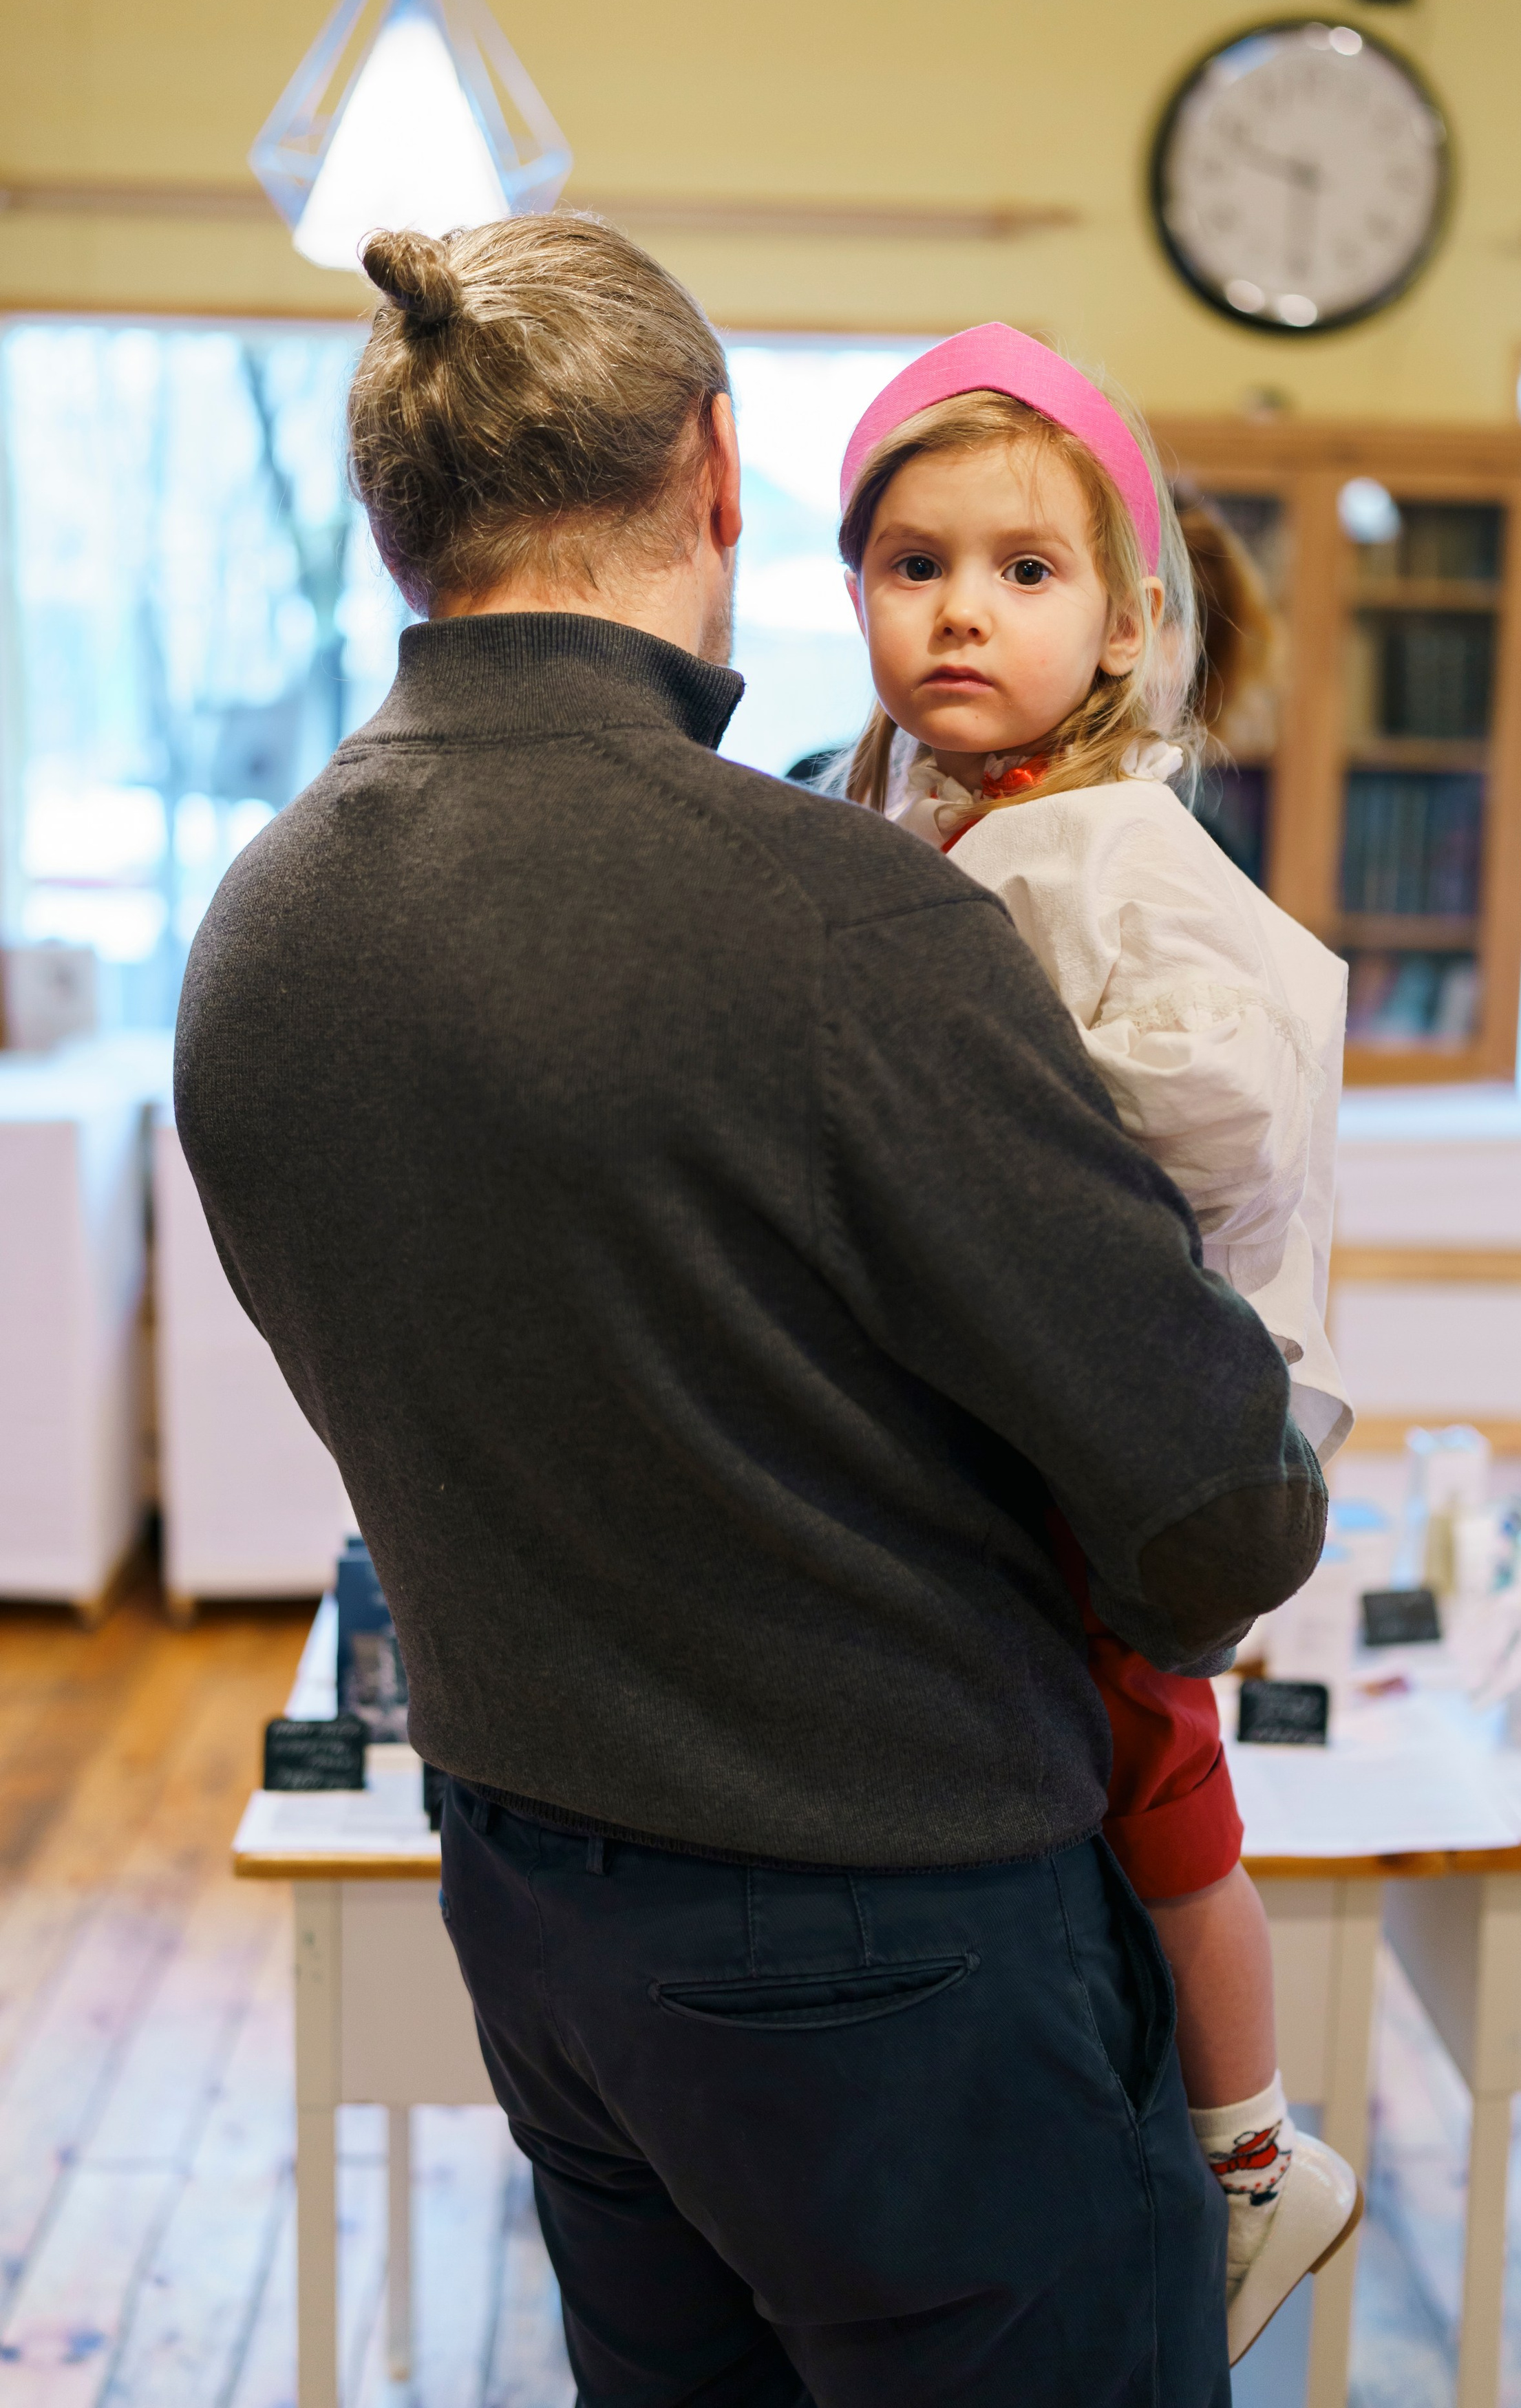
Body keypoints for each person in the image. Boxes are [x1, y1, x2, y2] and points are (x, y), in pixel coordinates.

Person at [174, 217, 1328, 2408]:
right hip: (899, 1933)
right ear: (721, 474)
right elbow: (1221, 1518)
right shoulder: (839, 921)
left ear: (402, 518)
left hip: (531, 1897)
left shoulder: (265, 931)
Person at [836, 326, 1360, 2361]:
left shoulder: (1117, 846)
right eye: (913, 560)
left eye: (1026, 571)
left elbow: (1226, 1097)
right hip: (991, 1394)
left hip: (1135, 1409)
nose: (962, 606)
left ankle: (1253, 2153)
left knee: (1159, 1762)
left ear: (1131, 622)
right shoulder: (906, 799)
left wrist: (1003, 1109)